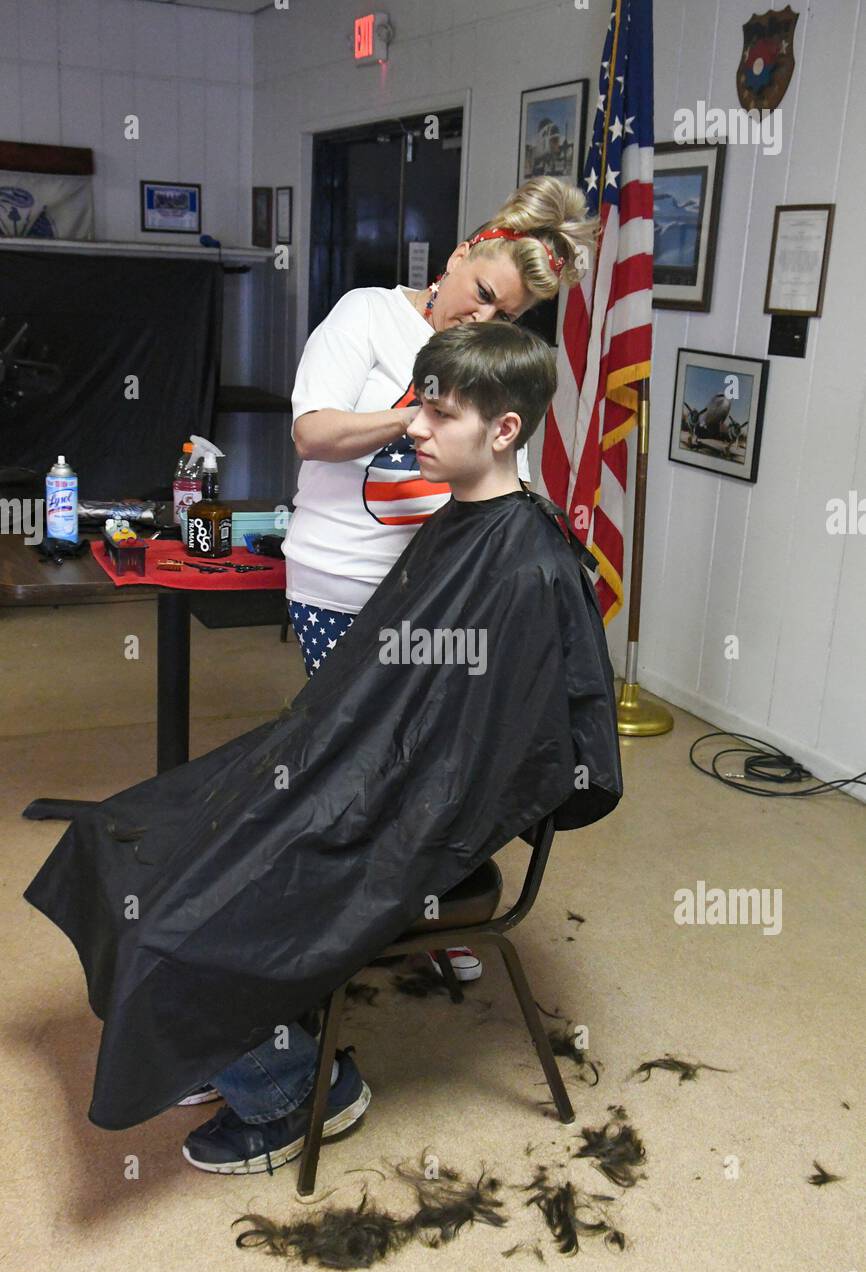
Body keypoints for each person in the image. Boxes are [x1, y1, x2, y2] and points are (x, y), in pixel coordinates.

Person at [23, 321, 623, 1176]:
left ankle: (298, 1089)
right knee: (124, 835)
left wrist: (350, 796)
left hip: (404, 816)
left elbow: (489, 760)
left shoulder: (526, 567)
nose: (410, 425)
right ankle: (215, 1040)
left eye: (436, 413)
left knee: (171, 920)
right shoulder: (462, 521)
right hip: (355, 770)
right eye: (417, 404)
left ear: (504, 431)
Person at [284, 173, 596, 985]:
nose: (487, 317)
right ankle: (359, 910)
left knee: (441, 760)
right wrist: (426, 408)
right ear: (461, 254)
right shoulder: (366, 314)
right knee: (363, 761)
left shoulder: (488, 357)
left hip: (441, 592)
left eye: (510, 316)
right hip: (343, 584)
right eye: (485, 292)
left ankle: (432, 904)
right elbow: (313, 435)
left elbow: (506, 472)